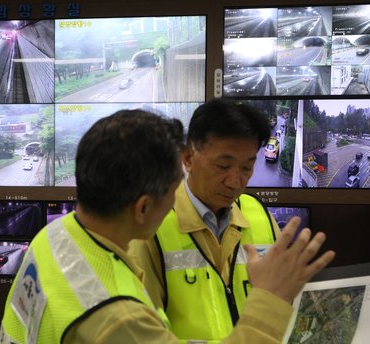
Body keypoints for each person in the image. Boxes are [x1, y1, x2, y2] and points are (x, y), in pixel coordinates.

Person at [0, 107, 335, 344]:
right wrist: (270, 299)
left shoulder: (54, 236)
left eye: (247, 167)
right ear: (143, 208)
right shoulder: (118, 319)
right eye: (175, 186)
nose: (236, 181)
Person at [129, 98, 334, 343]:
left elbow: (284, 307)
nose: (235, 182)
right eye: (223, 165)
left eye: (247, 168)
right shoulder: (152, 228)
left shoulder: (258, 215)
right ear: (188, 157)